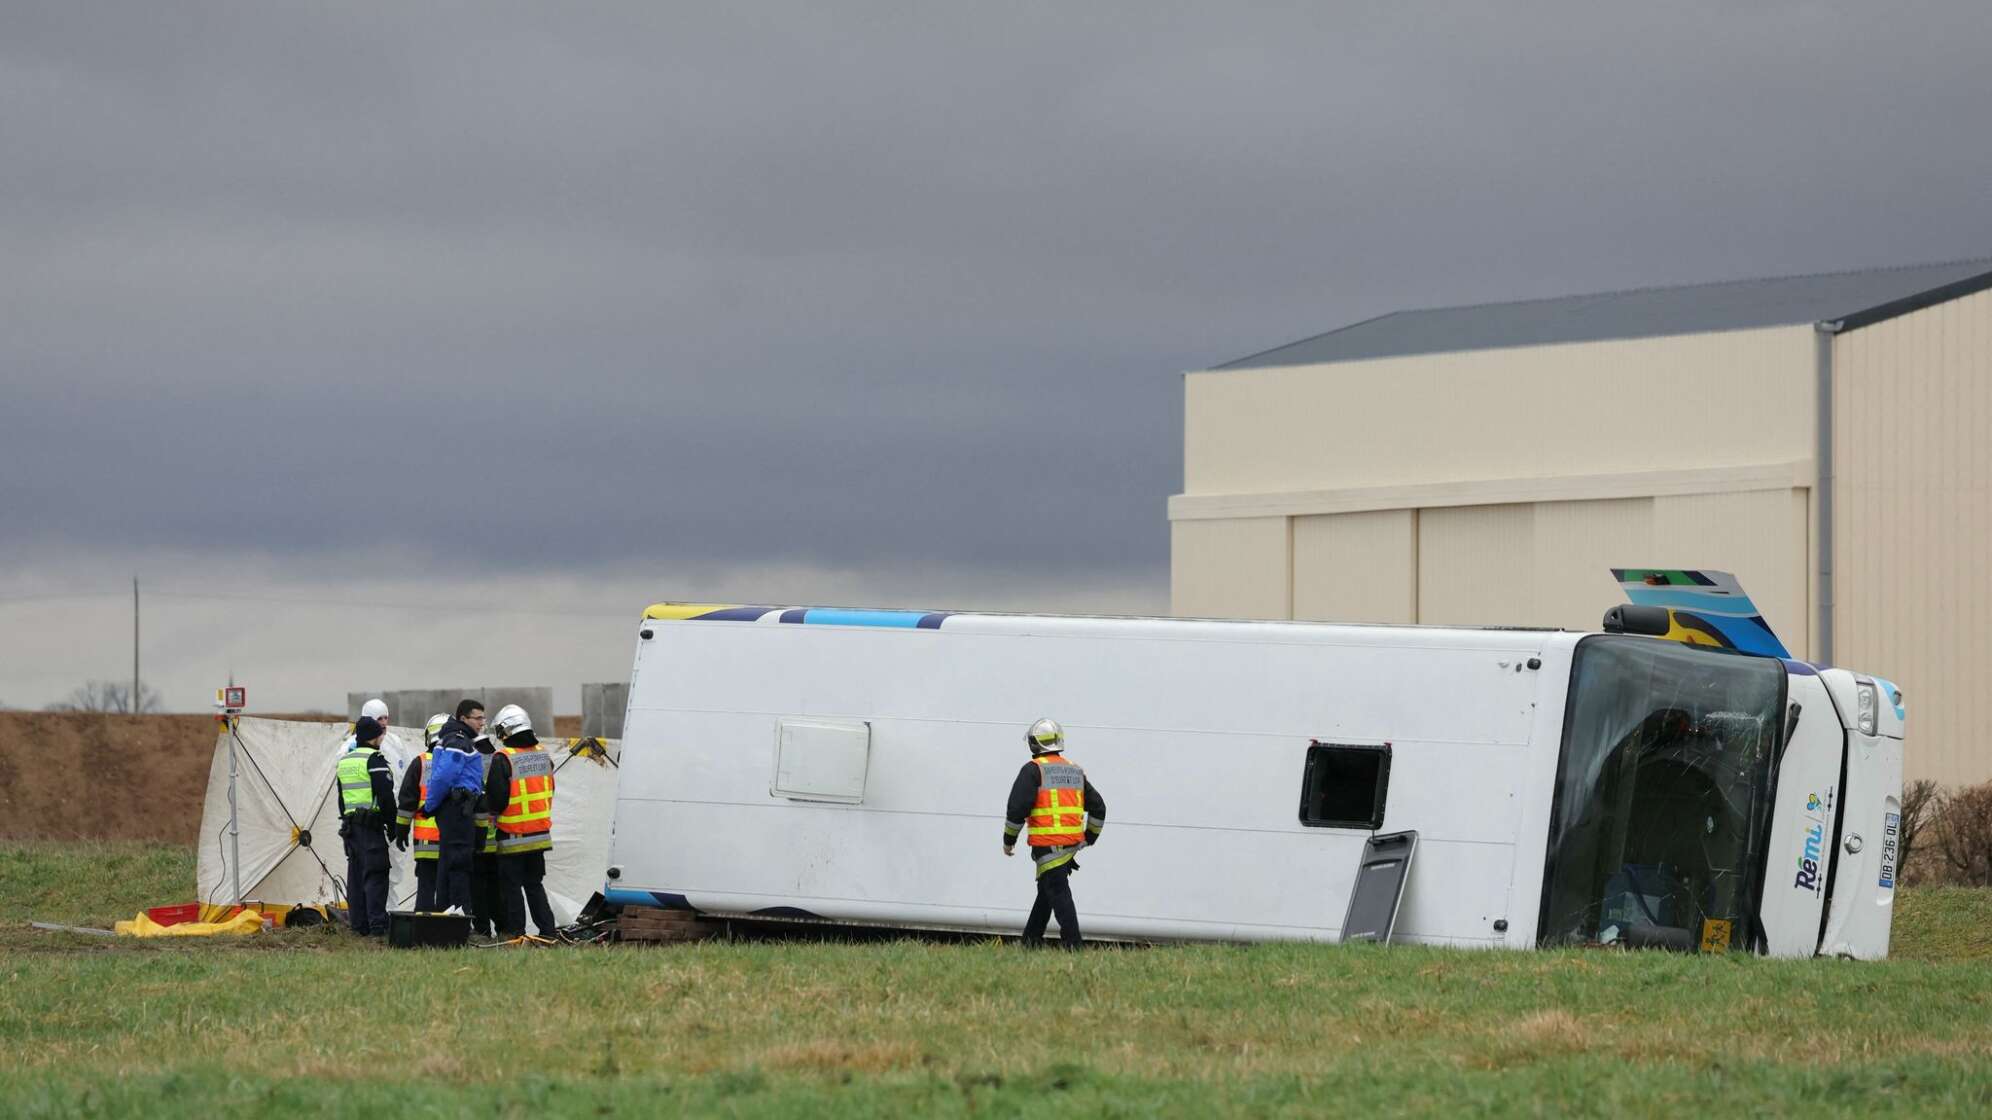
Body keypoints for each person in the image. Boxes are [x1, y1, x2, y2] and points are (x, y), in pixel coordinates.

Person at [1002, 718, 1105, 949]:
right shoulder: (1074, 770)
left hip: (1047, 845)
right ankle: (1030, 942)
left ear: (1034, 744)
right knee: (1047, 891)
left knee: (1059, 894)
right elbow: (1099, 807)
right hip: (1070, 846)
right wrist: (1090, 837)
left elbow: (1017, 808)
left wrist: (1008, 841)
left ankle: (1074, 945)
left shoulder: (1033, 771)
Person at [484, 703, 557, 938]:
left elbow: (496, 800)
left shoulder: (503, 758)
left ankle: (516, 933)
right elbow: (550, 790)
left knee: (511, 887)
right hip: (540, 835)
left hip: (513, 835)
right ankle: (548, 932)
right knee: (534, 885)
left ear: (507, 730)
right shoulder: (544, 755)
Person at [422, 699, 487, 914]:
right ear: (463, 719)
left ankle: (446, 918)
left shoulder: (456, 739)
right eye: (478, 718)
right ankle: (459, 920)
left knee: (449, 865)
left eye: (483, 718)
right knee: (459, 866)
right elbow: (443, 777)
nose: (482, 723)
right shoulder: (459, 741)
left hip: (456, 809)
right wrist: (430, 805)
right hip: (457, 811)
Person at [336, 716, 397, 937]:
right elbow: (385, 796)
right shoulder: (375, 759)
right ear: (374, 737)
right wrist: (393, 825)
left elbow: (341, 800)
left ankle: (358, 925)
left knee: (356, 875)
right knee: (376, 874)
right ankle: (377, 926)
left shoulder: (345, 761)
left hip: (351, 827)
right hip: (370, 827)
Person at [394, 714, 449, 911]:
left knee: (426, 886)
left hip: (426, 842)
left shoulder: (420, 763)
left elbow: (407, 801)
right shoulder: (460, 763)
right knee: (450, 887)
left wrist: (401, 830)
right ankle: (450, 931)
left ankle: (423, 928)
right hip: (453, 841)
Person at [469, 731, 504, 937]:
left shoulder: (471, 763)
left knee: (478, 889)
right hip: (500, 840)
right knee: (498, 889)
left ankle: (482, 929)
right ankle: (503, 927)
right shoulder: (499, 759)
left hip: (478, 840)